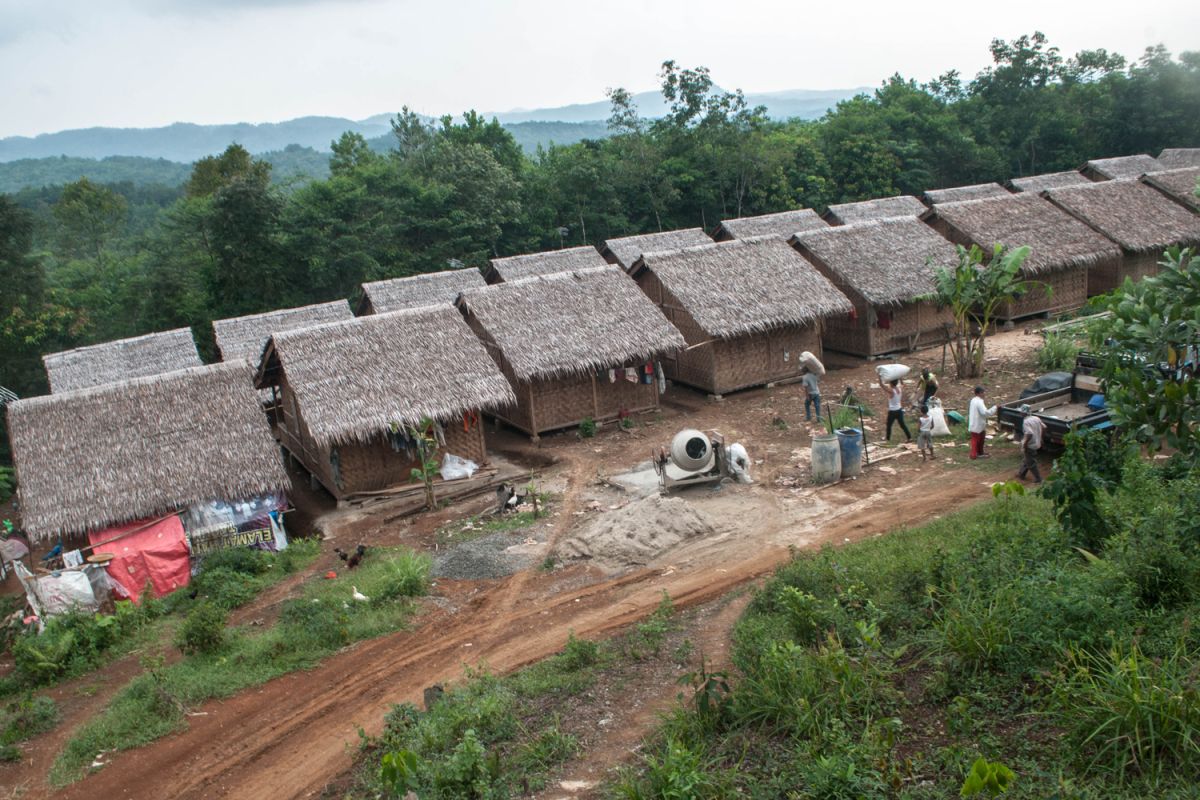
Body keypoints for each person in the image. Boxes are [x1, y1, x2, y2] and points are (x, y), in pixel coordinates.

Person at [968, 385, 997, 459]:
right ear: (979, 393)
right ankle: (974, 455)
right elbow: (985, 413)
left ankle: (980, 452)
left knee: (981, 438)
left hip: (976, 423)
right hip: (977, 424)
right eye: (983, 392)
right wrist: (995, 408)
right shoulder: (979, 402)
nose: (984, 394)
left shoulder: (974, 400)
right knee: (976, 440)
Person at [880, 378, 912, 443]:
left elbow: (881, 385)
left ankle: (887, 439)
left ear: (891, 383)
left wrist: (879, 377)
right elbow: (903, 384)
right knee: (902, 425)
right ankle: (909, 437)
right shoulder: (899, 388)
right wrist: (900, 377)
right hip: (899, 410)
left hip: (892, 411)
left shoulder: (891, 391)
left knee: (889, 425)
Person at [1017, 412, 1045, 484]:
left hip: (1030, 445)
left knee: (1031, 462)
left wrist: (1025, 444)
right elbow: (1044, 427)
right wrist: (1041, 437)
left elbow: (1029, 433)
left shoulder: (1026, 422)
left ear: (1023, 413)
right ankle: (1021, 473)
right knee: (1027, 459)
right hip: (1037, 443)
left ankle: (1038, 479)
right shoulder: (1036, 418)